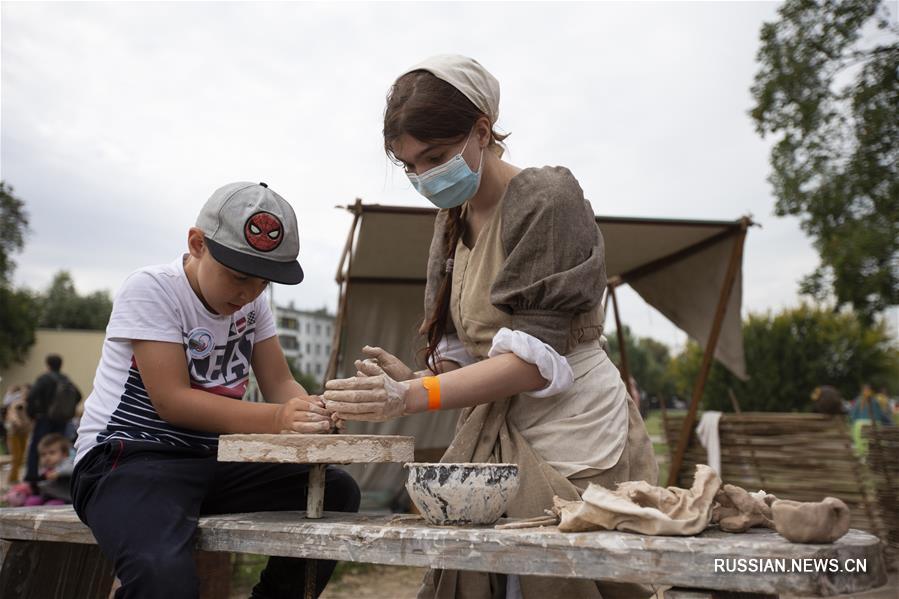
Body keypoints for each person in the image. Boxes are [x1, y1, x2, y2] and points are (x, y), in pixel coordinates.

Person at [323, 55, 657, 599]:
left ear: (482, 130)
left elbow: (529, 364)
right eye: (409, 165)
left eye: (433, 157)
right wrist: (412, 376)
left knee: (567, 581)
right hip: (498, 433)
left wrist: (408, 395)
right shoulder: (451, 222)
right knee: (491, 580)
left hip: (572, 430)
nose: (423, 176)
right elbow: (470, 358)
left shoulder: (547, 198)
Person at [71, 182, 360, 599]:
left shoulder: (252, 305)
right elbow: (173, 402)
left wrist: (313, 412)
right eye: (239, 276)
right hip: (128, 460)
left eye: (263, 283)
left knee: (337, 491)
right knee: (162, 576)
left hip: (209, 459)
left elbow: (279, 382)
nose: (248, 293)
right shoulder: (153, 289)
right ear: (197, 243)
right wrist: (280, 419)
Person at [24, 354, 81, 486]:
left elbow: (31, 396)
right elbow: (78, 395)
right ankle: (58, 476)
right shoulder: (66, 379)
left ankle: (33, 478)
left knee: (38, 447)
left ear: (48, 365)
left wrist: (32, 414)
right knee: (59, 448)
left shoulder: (44, 379)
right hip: (61, 420)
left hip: (44, 418)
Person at [22, 433, 74, 506]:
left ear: (64, 454)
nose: (47, 457)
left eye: (52, 453)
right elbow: (41, 483)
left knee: (50, 505)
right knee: (31, 502)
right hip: (48, 496)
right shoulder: (44, 468)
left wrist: (58, 473)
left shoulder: (66, 463)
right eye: (43, 454)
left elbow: (72, 469)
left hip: (65, 499)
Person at [4, 384, 32, 484]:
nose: (25, 394)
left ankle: (14, 478)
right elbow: (12, 414)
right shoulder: (17, 403)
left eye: (27, 392)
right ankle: (11, 479)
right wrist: (16, 421)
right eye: (24, 392)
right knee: (16, 456)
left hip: (24, 433)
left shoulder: (31, 404)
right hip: (14, 433)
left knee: (20, 457)